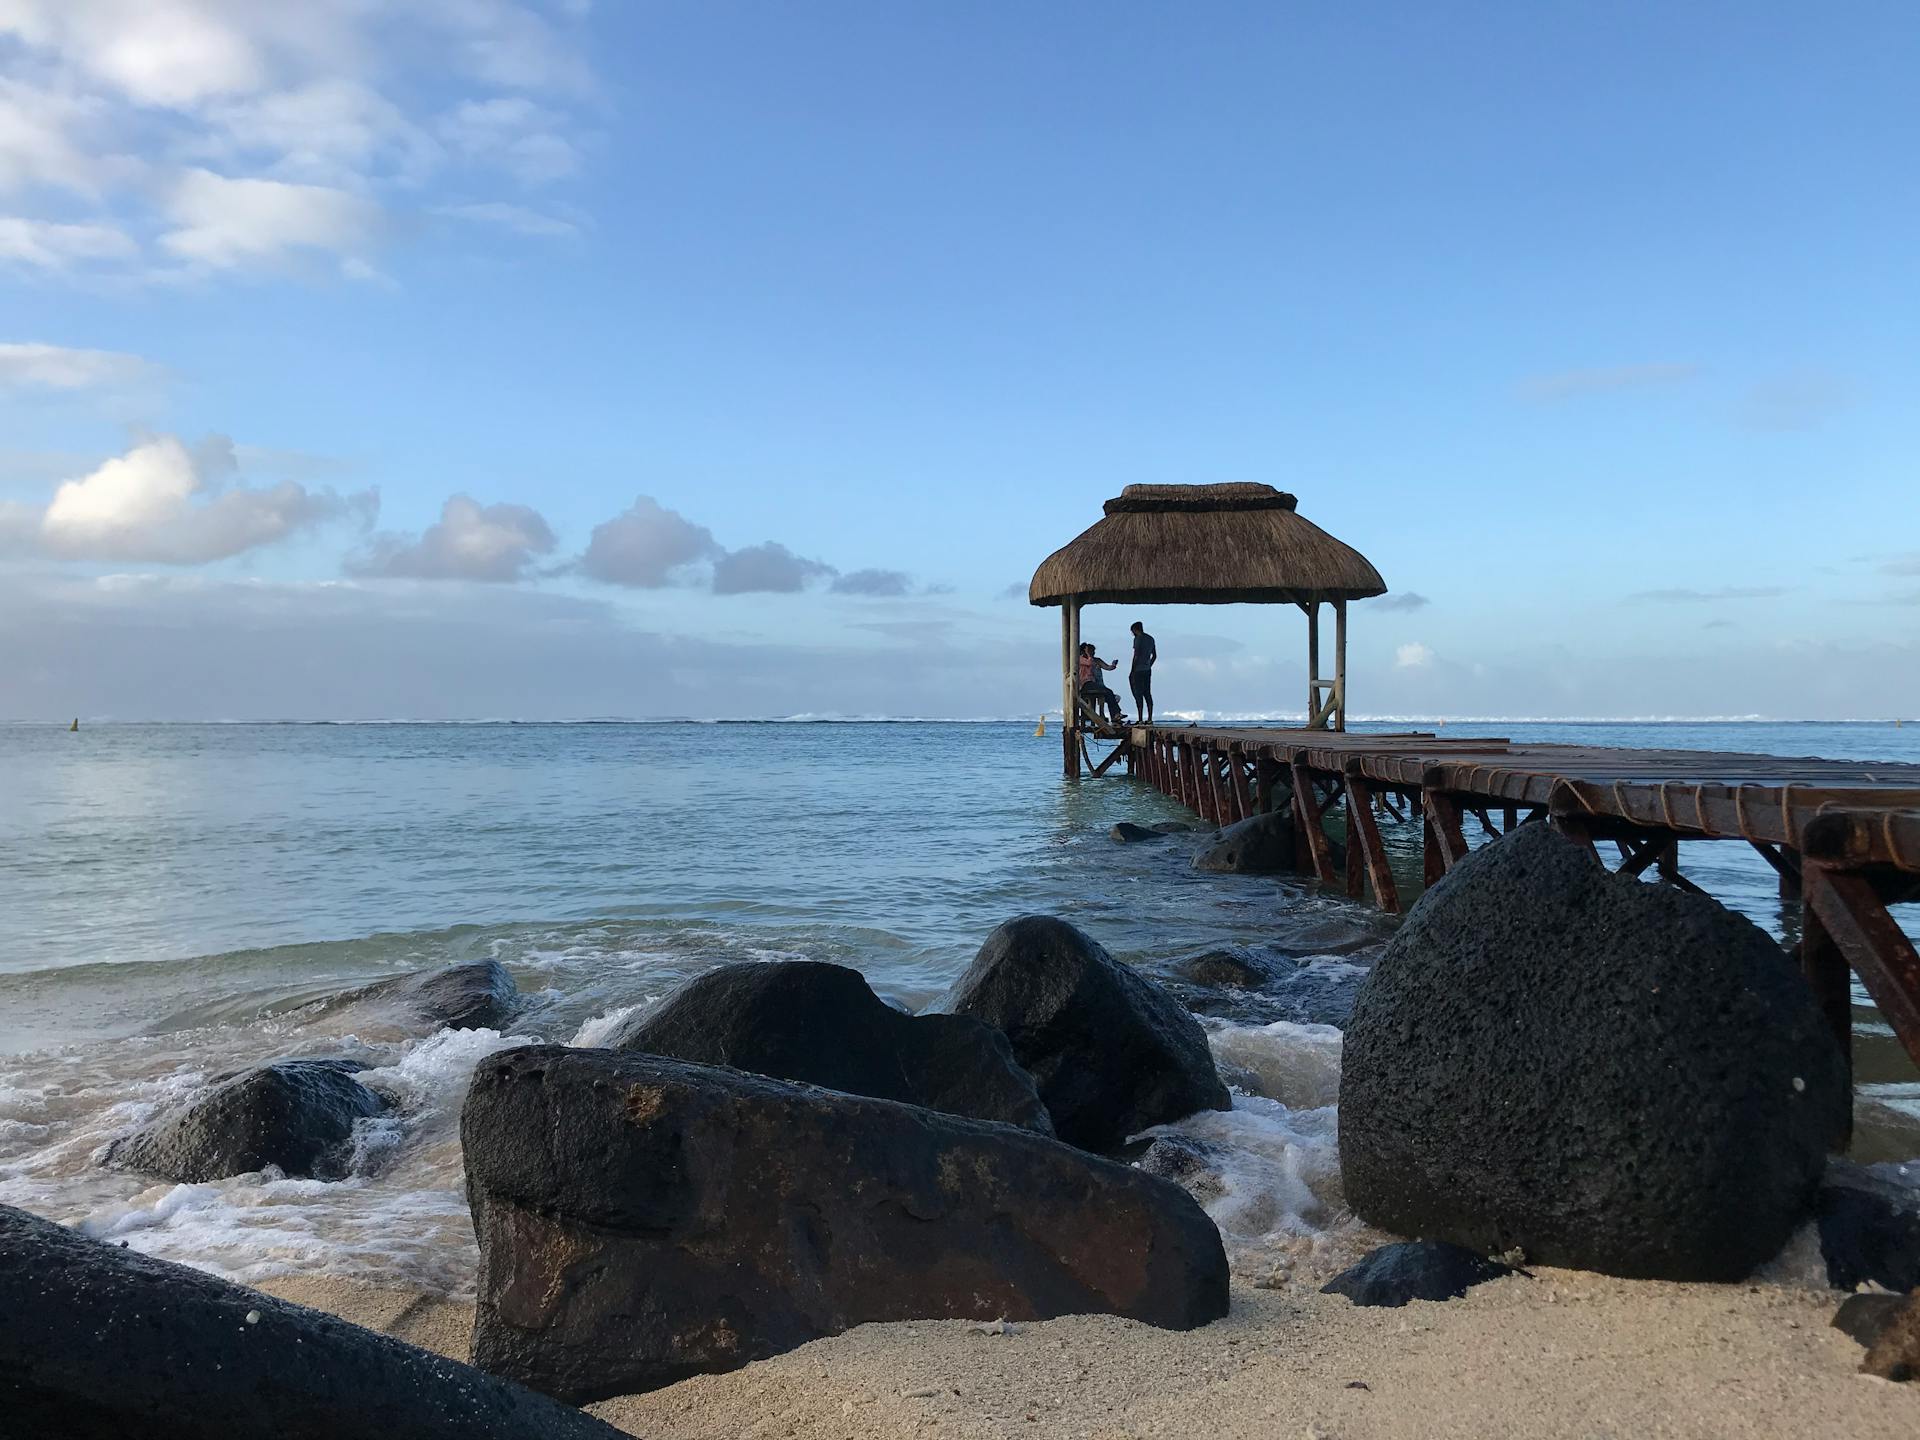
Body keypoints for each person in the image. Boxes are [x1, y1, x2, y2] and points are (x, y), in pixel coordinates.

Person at [1076, 642, 1124, 725]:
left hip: (1092, 683)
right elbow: (1089, 663)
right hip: (1085, 684)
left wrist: (1113, 665)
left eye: (1093, 651)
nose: (1093, 653)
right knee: (1108, 692)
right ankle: (1115, 714)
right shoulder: (1080, 659)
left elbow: (1107, 667)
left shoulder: (1095, 659)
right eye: (1091, 651)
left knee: (1108, 693)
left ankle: (1115, 715)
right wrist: (1088, 654)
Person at [1128, 620, 1157, 723]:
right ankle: (1149, 719)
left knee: (1138, 693)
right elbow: (1154, 656)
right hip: (1147, 670)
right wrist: (1149, 665)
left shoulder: (1138, 639)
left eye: (1132, 631)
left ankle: (1140, 719)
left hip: (1138, 670)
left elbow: (1136, 655)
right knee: (1147, 693)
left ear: (1136, 630)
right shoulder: (1150, 639)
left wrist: (1132, 670)